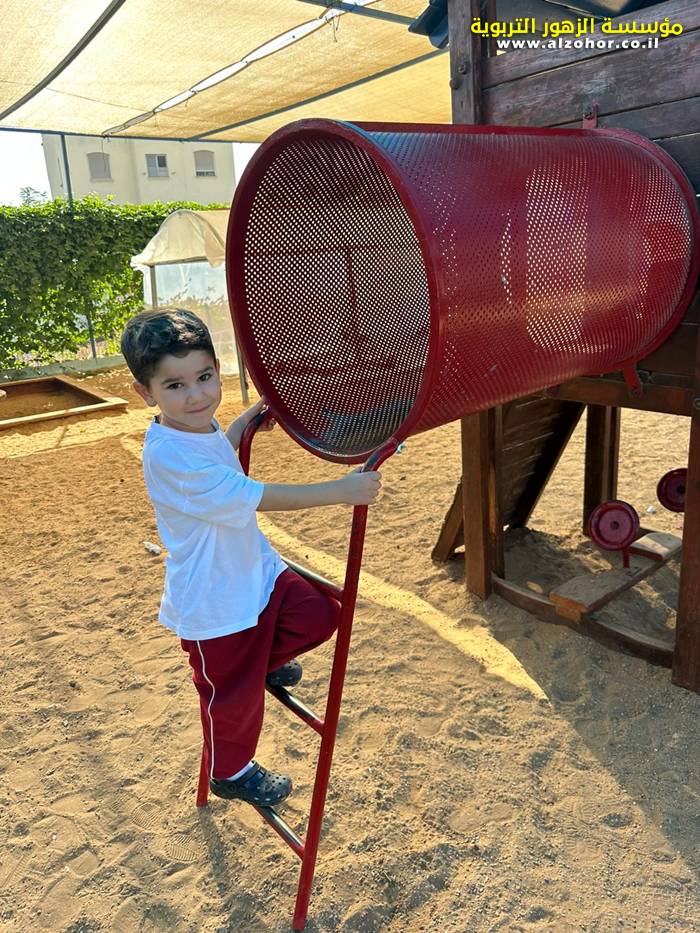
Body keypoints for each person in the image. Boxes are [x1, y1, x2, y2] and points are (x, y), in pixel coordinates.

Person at [120, 308, 381, 808]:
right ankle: (230, 772)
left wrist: (247, 420)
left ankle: (263, 662)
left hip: (253, 573)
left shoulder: (196, 429)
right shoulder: (169, 454)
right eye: (175, 386)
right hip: (215, 600)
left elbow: (221, 453)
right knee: (232, 698)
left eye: (204, 377)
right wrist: (340, 490)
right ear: (146, 394)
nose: (196, 395)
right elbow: (250, 495)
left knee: (318, 615)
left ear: (218, 369)